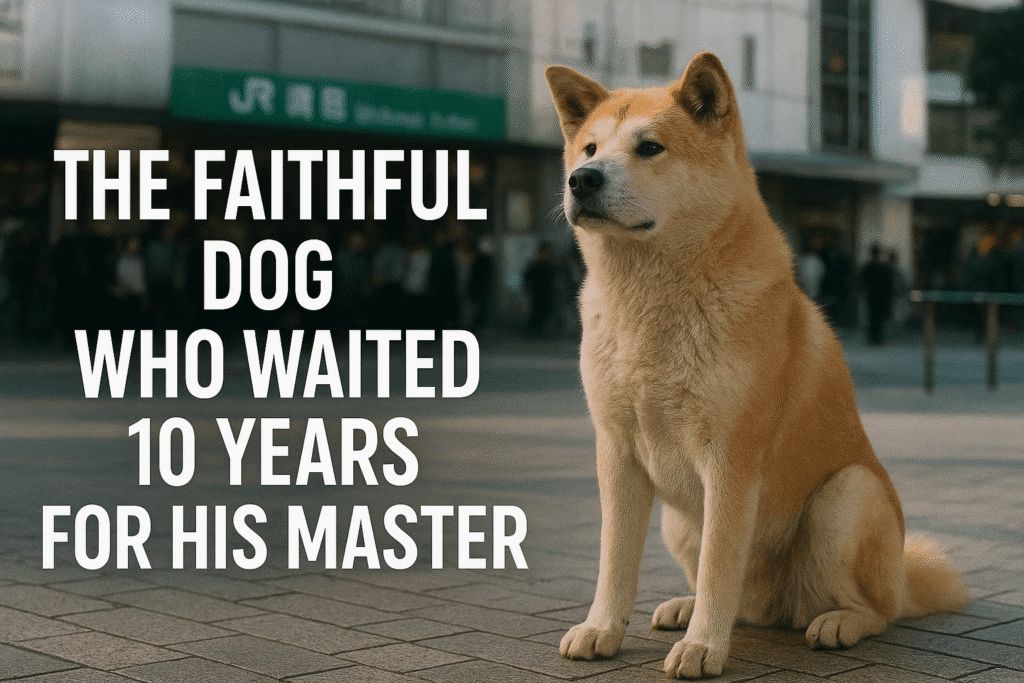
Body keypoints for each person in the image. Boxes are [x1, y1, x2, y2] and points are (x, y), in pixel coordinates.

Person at [860, 243, 894, 345]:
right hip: (879, 296)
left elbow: (863, 282)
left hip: (874, 295)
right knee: (877, 317)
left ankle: (874, 337)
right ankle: (876, 337)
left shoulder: (870, 267)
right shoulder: (882, 267)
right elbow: (889, 284)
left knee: (874, 317)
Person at [523, 241, 556, 337]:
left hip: (547, 294)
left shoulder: (550, 266)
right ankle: (534, 331)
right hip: (537, 294)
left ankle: (540, 331)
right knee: (537, 312)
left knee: (545, 312)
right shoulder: (534, 265)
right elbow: (527, 278)